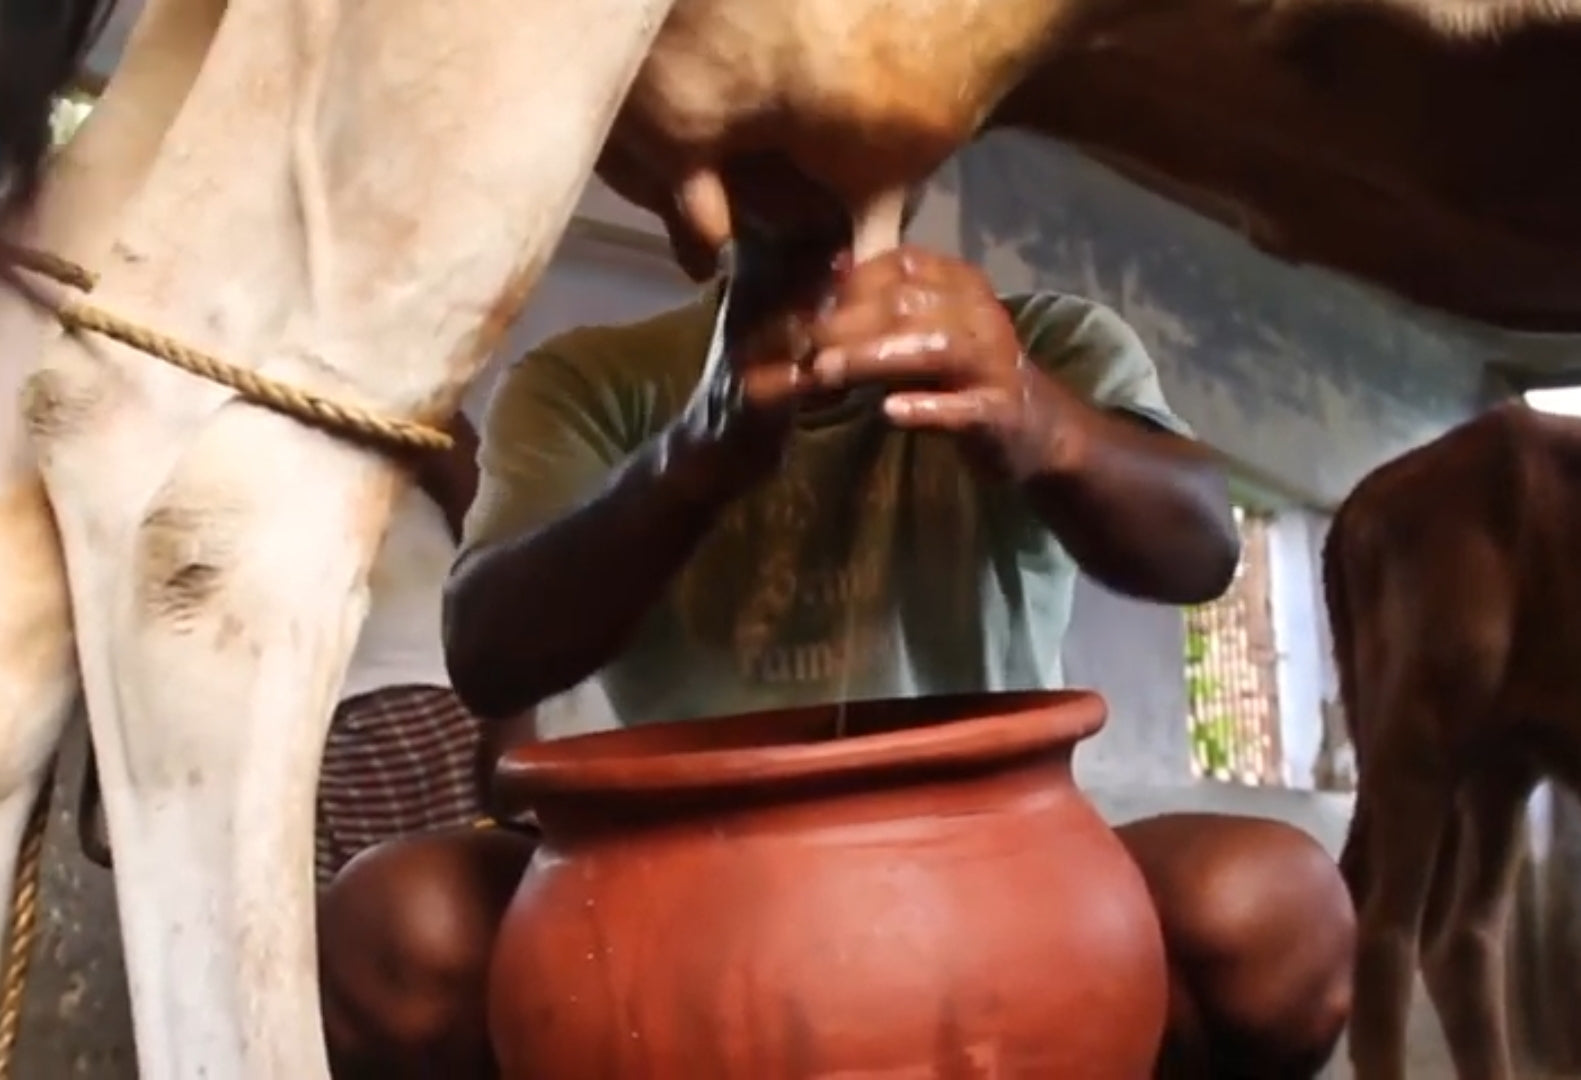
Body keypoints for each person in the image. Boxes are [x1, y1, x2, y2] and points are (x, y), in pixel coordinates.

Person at [320, 211, 1354, 1078]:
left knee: (1274, 908)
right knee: (392, 932)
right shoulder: (597, 384)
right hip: (676, 888)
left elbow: (1203, 550)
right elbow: (491, 651)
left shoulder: (1041, 343)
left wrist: (1040, 423)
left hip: (989, 874)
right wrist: (692, 462)